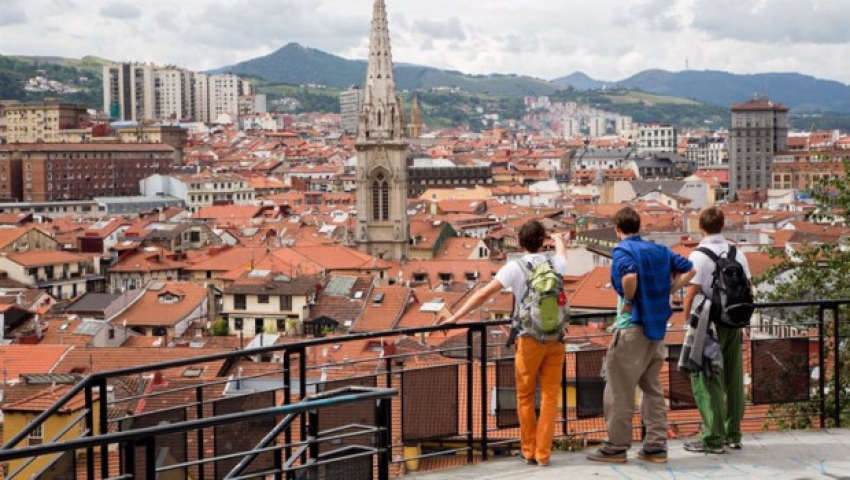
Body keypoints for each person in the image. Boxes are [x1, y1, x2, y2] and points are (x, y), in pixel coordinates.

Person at [442, 219, 568, 467]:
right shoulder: (555, 263)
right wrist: (559, 240)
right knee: (551, 397)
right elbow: (562, 253)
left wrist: (456, 317)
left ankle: (529, 450)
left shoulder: (515, 267)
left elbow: (482, 294)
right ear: (543, 242)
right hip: (556, 337)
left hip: (529, 338)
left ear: (520, 243)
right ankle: (544, 454)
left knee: (525, 396)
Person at [587, 206, 695, 464]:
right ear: (639, 226)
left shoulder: (623, 251)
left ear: (617, 229)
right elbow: (690, 269)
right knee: (652, 388)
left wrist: (629, 299)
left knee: (619, 390)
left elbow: (630, 276)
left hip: (632, 326)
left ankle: (616, 447)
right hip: (656, 330)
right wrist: (670, 289)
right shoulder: (659, 249)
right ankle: (655, 446)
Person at [682, 206, 751, 454]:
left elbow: (691, 291)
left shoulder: (698, 255)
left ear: (700, 226)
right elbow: (748, 288)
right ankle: (734, 434)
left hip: (707, 326)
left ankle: (713, 437)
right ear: (723, 225)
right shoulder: (737, 253)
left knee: (707, 378)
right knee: (733, 378)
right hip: (733, 322)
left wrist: (685, 323)